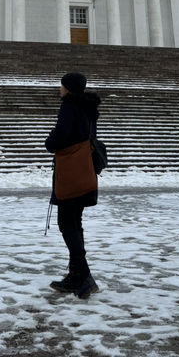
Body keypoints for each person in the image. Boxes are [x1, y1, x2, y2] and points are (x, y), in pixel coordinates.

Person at [45, 71, 101, 299]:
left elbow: (59, 138)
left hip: (71, 173)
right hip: (84, 172)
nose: (60, 89)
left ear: (69, 88)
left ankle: (83, 275)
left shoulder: (69, 106)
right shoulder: (89, 107)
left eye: (62, 85)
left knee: (66, 223)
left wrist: (50, 140)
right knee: (75, 223)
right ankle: (75, 275)